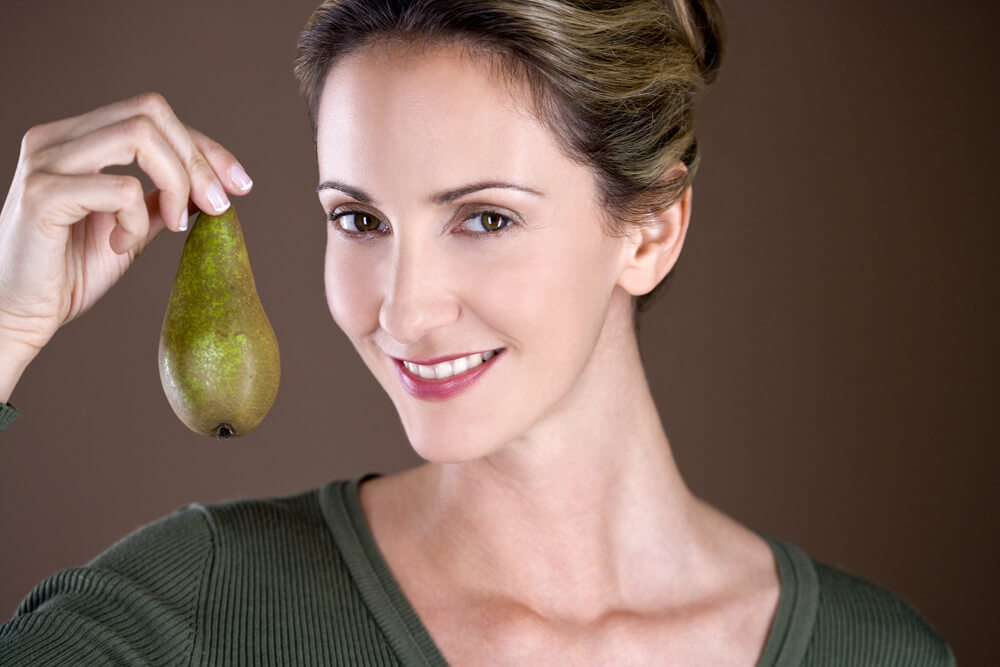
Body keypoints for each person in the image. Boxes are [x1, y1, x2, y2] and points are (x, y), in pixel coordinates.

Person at [0, 1, 955, 664]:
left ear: (651, 229)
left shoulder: (878, 653)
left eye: (485, 218)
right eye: (359, 219)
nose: (403, 311)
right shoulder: (192, 610)